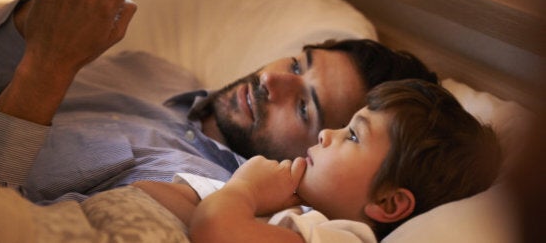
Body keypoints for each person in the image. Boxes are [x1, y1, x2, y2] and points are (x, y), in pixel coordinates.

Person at [0, 0, 437, 204]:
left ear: (318, 153)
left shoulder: (190, 191)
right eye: (299, 63)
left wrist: (49, 64)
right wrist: (38, 23)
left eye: (303, 105)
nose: (272, 79)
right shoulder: (154, 71)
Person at [133, 79, 502, 242]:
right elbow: (150, 195)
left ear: (388, 202)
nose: (326, 134)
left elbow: (215, 231)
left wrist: (246, 189)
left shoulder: (335, 237)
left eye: (353, 135)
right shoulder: (293, 207)